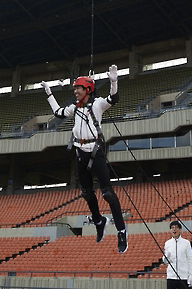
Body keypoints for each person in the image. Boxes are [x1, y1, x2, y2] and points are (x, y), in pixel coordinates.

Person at [41, 65, 128, 253]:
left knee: (108, 194)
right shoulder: (75, 108)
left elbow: (114, 98)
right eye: (74, 88)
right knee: (87, 193)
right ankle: (99, 221)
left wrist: (114, 81)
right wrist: (49, 94)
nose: (75, 92)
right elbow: (58, 112)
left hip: (96, 150)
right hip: (80, 151)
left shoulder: (97, 104)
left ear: (87, 89)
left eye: (77, 88)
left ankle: (121, 231)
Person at [163, 220, 192, 289]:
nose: (174, 229)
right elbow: (165, 261)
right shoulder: (167, 243)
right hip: (171, 276)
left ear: (180, 230)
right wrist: (166, 257)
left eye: (176, 227)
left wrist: (191, 275)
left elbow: (190, 259)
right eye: (172, 228)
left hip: (183, 276)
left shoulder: (186, 243)